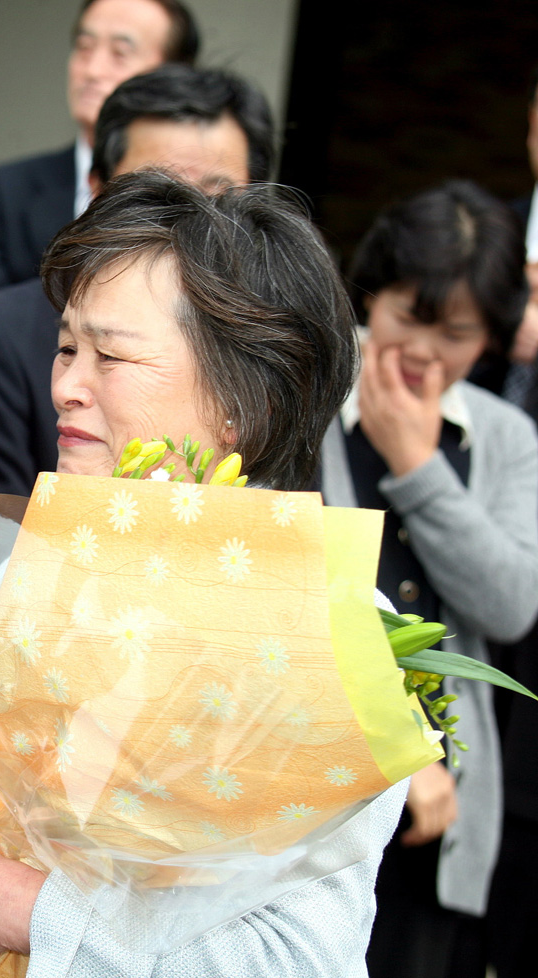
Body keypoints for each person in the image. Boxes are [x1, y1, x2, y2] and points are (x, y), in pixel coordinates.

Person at [0, 170, 410, 978]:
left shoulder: (334, 638)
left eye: (109, 356)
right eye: (64, 347)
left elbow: (297, 960)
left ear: (246, 399)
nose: (63, 387)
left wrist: (32, 913)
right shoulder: (35, 581)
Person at [316, 181, 538, 978]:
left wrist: (415, 462)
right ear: (372, 294)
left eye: (457, 335)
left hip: (443, 827)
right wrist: (402, 751)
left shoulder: (507, 437)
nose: (422, 352)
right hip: (317, 797)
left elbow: (511, 603)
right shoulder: (307, 396)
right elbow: (299, 592)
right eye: (408, 317)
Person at [0, 63, 272, 495]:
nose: (192, 220)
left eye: (218, 197)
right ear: (97, 190)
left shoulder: (277, 342)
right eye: (161, 191)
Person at [0, 0, 199, 301]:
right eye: (84, 47)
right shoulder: (8, 190)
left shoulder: (195, 190)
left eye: (120, 53)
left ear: (174, 75)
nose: (92, 70)